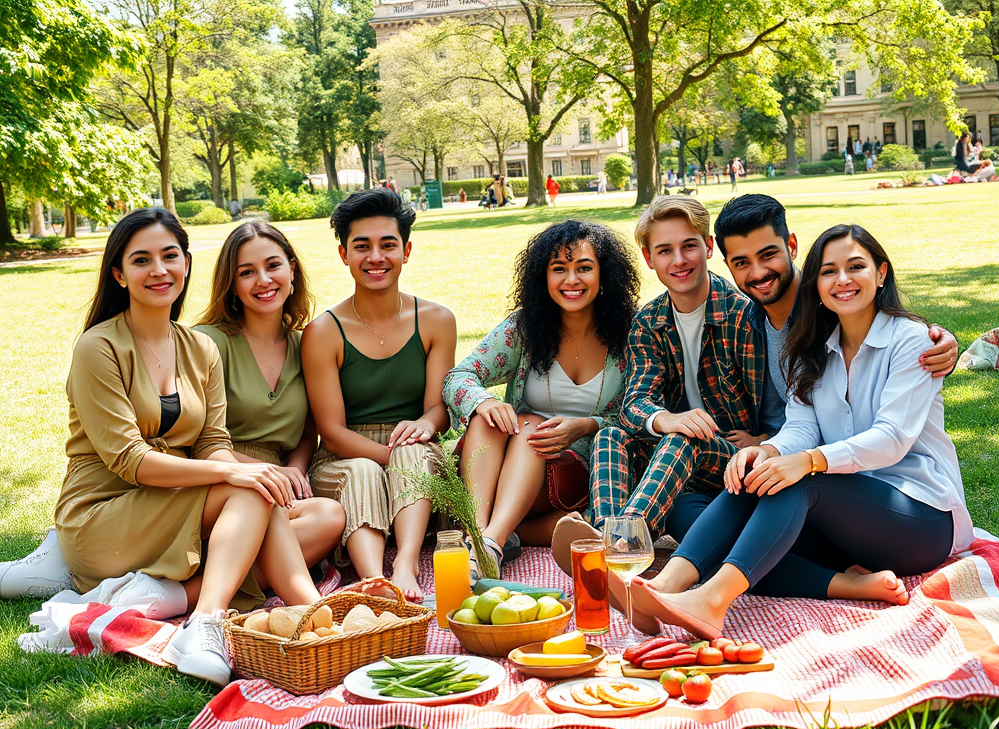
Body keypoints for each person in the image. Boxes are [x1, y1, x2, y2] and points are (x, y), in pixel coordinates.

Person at [630, 224, 972, 638]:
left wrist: (805, 463)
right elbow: (802, 426)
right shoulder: (814, 348)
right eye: (829, 272)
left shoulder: (912, 341)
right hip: (844, 522)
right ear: (816, 283)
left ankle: (712, 600)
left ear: (881, 273)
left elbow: (892, 438)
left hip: (920, 519)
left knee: (796, 483)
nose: (842, 280)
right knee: (711, 502)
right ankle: (663, 589)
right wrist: (768, 453)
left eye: (856, 267)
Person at [50, 208, 322, 685]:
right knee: (250, 490)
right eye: (141, 260)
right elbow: (130, 461)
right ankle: (208, 623)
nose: (159, 270)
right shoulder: (98, 348)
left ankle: (312, 619)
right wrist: (232, 473)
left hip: (168, 506)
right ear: (119, 274)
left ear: (187, 263)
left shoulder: (200, 348)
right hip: (101, 513)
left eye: (169, 255)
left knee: (267, 499)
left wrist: (232, 468)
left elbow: (214, 441)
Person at [550, 196, 763, 571]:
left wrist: (764, 441)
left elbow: (782, 402)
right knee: (610, 435)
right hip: (671, 460)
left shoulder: (742, 313)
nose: (678, 260)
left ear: (709, 247)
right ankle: (613, 542)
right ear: (649, 259)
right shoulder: (650, 321)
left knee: (687, 436)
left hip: (733, 460)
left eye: (689, 246)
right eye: (665, 250)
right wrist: (666, 419)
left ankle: (614, 553)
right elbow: (634, 403)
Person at [443, 220, 640, 576]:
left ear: (605, 274)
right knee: (496, 418)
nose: (571, 280)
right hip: (507, 473)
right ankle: (486, 539)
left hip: (578, 480)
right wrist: (483, 402)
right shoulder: (525, 327)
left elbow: (643, 410)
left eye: (584, 268)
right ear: (542, 277)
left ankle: (487, 541)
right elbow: (459, 377)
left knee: (532, 429)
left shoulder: (630, 332)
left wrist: (587, 425)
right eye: (558, 269)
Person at [301, 189, 457, 601]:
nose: (376, 257)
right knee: (366, 471)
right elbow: (331, 432)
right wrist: (393, 462)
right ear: (343, 254)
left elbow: (439, 408)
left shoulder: (436, 320)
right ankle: (374, 580)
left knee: (414, 452)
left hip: (415, 446)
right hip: (344, 457)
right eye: (361, 247)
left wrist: (424, 425)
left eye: (388, 245)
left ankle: (406, 563)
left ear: (406, 251)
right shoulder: (324, 331)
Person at [193, 221, 348, 572]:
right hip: (217, 479)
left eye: (273, 265)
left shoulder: (306, 344)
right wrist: (259, 472)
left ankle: (192, 587)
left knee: (328, 516)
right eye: (247, 272)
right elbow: (194, 441)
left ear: (291, 269)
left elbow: (309, 431)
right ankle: (195, 590)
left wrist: (293, 468)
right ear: (231, 285)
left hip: (275, 485)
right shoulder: (208, 343)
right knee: (268, 525)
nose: (263, 280)